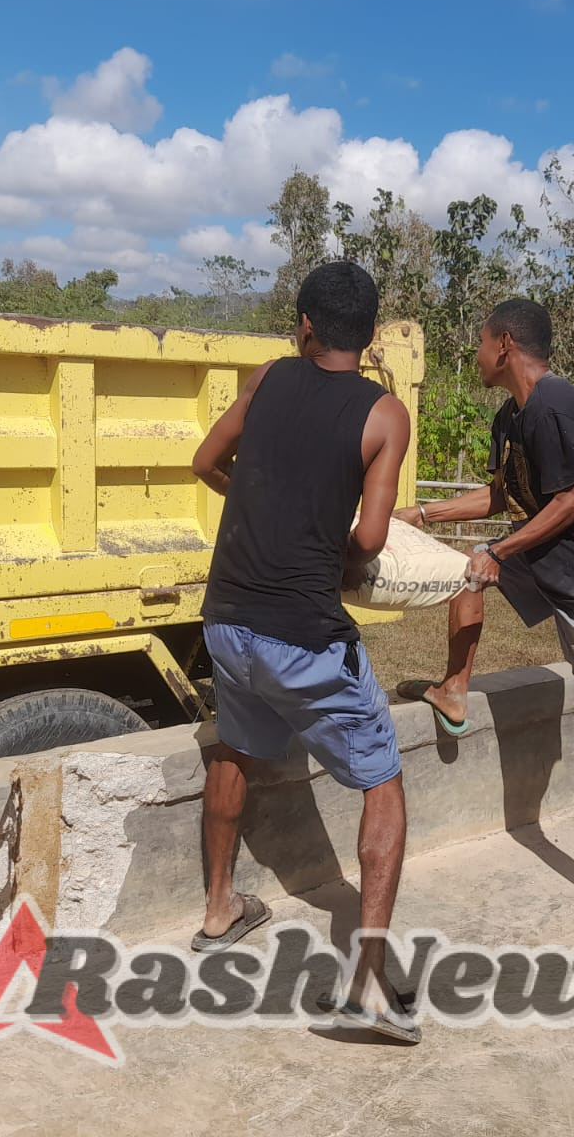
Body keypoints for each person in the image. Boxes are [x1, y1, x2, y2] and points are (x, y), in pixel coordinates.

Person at [191, 261, 418, 1042]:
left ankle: (221, 909)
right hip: (302, 636)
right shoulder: (384, 415)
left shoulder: (267, 378)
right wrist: (332, 549)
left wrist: (261, 503)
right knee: (382, 780)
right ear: (375, 334)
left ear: (306, 324)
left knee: (235, 747)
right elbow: (372, 540)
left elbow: (204, 462)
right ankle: (367, 984)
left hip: (225, 621)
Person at [394, 299, 574, 911]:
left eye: (481, 340)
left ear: (506, 344)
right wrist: (423, 512)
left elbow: (570, 502)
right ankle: (454, 691)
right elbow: (498, 495)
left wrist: (500, 551)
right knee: (469, 576)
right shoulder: (511, 418)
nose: (475, 351)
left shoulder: (555, 404)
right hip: (557, 555)